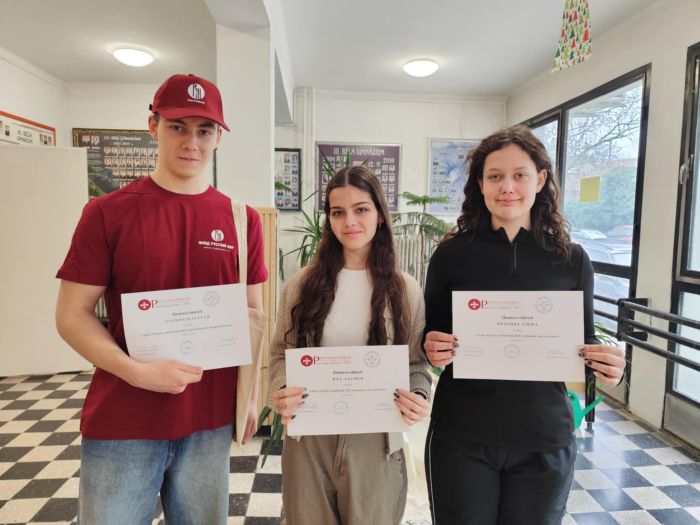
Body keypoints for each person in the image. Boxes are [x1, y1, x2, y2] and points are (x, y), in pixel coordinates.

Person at [55, 73, 268, 524]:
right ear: (153, 126)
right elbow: (72, 315)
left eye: (204, 130)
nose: (192, 142)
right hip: (124, 420)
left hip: (208, 422)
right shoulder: (107, 213)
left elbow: (252, 315)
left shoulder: (242, 220)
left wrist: (251, 397)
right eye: (177, 127)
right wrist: (136, 371)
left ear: (218, 138)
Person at [422, 125, 626, 525]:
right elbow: (429, 339)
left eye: (520, 175)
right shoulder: (450, 255)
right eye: (495, 176)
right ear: (480, 184)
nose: (507, 187)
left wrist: (609, 365)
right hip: (462, 436)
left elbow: (583, 346)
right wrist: (431, 347)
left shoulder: (572, 260)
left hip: (544, 437)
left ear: (541, 179)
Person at [267, 165, 432, 525]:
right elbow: (280, 353)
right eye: (337, 212)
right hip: (310, 439)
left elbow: (416, 364)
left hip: (376, 440)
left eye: (361, 209)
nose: (349, 222)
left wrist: (418, 395)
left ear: (380, 215)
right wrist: (281, 390)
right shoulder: (301, 286)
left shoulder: (405, 290)